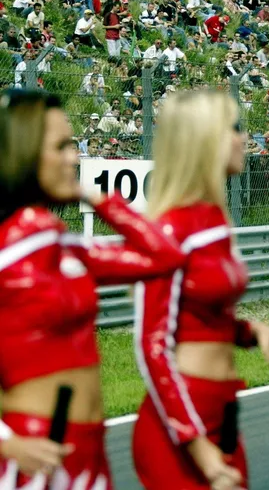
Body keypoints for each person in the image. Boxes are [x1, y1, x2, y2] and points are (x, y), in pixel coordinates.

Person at [0, 88, 185, 488]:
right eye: (61, 147)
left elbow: (165, 257)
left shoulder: (62, 244)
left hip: (90, 451)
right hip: (32, 456)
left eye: (73, 146)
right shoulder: (7, 249)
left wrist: (94, 194)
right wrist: (5, 441)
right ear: (22, 153)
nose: (74, 158)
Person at [132, 89, 269, 490]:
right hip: (182, 429)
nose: (244, 138)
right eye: (234, 128)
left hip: (224, 412)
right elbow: (152, 345)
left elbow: (205, 318)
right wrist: (200, 449)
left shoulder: (214, 220)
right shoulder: (170, 228)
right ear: (204, 139)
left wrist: (253, 332)